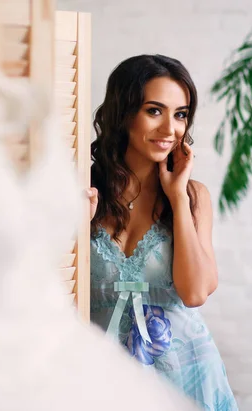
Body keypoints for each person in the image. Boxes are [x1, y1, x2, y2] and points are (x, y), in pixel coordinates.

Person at [87, 54, 238, 411]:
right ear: (123, 113)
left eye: (181, 114)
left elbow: (196, 292)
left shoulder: (192, 196)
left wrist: (177, 197)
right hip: (99, 378)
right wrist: (73, 224)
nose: (171, 129)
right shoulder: (84, 192)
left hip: (186, 379)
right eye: (154, 111)